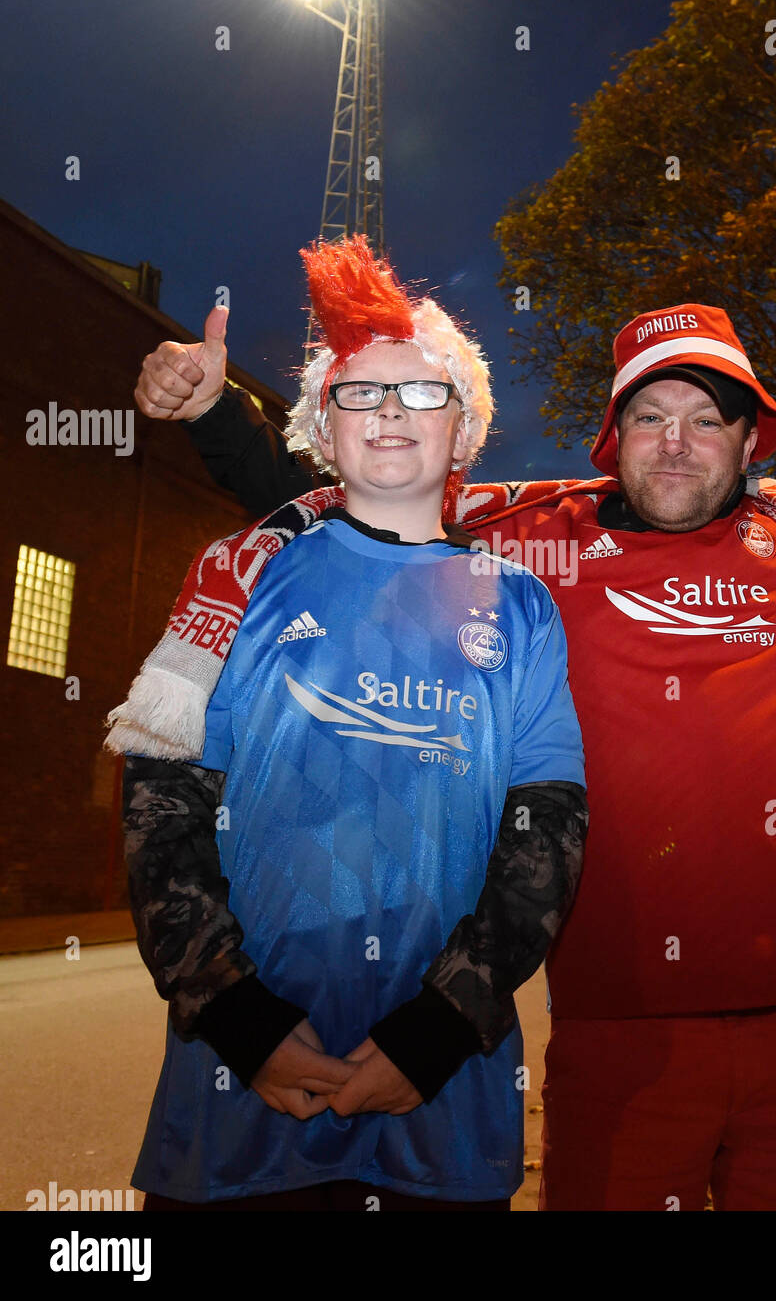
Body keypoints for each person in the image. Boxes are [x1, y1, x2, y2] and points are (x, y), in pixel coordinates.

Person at [135, 279, 776, 1211]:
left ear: (751, 440)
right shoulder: (529, 541)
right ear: (614, 438)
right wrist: (213, 412)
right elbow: (360, 492)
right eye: (650, 415)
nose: (676, 442)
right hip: (617, 1038)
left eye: (707, 417)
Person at [108, 236, 587, 1210]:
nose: (392, 415)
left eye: (422, 394)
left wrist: (441, 1029)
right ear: (322, 427)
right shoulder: (238, 578)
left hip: (443, 1110)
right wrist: (235, 1015)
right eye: (361, 394)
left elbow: (545, 837)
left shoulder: (522, 605)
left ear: (464, 429)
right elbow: (160, 811)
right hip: (239, 1114)